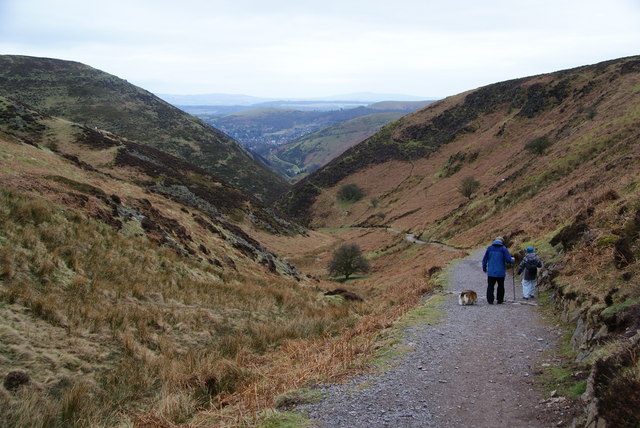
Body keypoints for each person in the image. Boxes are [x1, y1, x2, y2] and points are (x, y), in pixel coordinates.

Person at [482, 236, 515, 304]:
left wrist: (484, 268)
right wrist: (513, 259)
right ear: (502, 242)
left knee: (490, 286)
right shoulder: (503, 249)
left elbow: (484, 260)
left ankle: (490, 300)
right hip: (500, 272)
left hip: (491, 272)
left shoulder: (489, 248)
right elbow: (508, 260)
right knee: (501, 286)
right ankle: (500, 300)